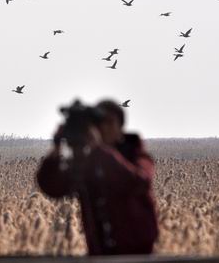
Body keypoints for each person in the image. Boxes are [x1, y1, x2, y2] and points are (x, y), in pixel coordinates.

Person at [35, 99, 159, 255]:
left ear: (121, 128)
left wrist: (99, 149)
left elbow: (139, 181)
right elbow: (53, 188)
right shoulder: (88, 160)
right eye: (100, 124)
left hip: (137, 253)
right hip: (99, 252)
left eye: (110, 123)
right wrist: (57, 148)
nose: (104, 129)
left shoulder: (136, 153)